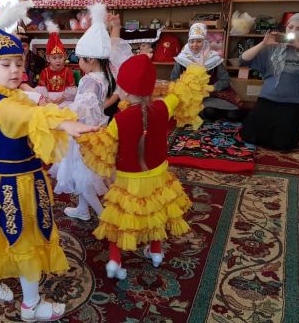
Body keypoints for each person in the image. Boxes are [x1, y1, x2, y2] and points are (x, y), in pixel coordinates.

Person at [0, 25, 97, 321]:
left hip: (12, 179)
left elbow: (28, 98)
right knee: (25, 237)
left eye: (18, 63)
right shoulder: (4, 106)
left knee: (5, 234)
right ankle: (31, 305)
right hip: (16, 186)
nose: (15, 70)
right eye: (5, 65)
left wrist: (34, 96)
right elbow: (30, 114)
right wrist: (65, 123)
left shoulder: (3, 93)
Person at [78, 54, 212, 279]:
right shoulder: (163, 106)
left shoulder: (119, 120)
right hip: (158, 176)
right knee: (155, 212)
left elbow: (103, 146)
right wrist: (198, 68)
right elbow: (184, 91)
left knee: (120, 220)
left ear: (124, 90)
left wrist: (80, 132)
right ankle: (156, 252)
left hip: (128, 181)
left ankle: (115, 261)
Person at [50, 3, 116, 221]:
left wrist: (60, 111)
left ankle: (104, 216)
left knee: (82, 179)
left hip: (83, 135)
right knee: (85, 173)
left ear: (92, 59)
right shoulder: (105, 77)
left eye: (80, 58)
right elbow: (91, 102)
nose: (78, 62)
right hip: (98, 130)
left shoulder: (88, 80)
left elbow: (82, 106)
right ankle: (82, 209)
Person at [239, 13, 299, 150]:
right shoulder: (273, 48)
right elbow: (243, 60)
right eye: (290, 27)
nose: (293, 31)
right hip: (267, 100)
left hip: (292, 105)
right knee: (248, 136)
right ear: (285, 28)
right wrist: (263, 44)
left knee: (284, 144)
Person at [172, 23, 245, 121]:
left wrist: (211, 88)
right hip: (191, 97)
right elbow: (174, 79)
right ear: (188, 42)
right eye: (192, 41)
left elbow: (225, 80)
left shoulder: (213, 58)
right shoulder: (182, 58)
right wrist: (186, 88)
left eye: (199, 41)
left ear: (204, 42)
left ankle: (220, 113)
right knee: (210, 112)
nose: (195, 45)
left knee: (234, 116)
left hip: (214, 94)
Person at [35, 21, 77, 105]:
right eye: (54, 58)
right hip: (48, 100)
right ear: (48, 58)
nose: (58, 60)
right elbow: (41, 89)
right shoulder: (45, 72)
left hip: (64, 99)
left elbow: (71, 88)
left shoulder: (67, 71)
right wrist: (47, 99)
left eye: (60, 57)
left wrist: (63, 97)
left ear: (65, 56)